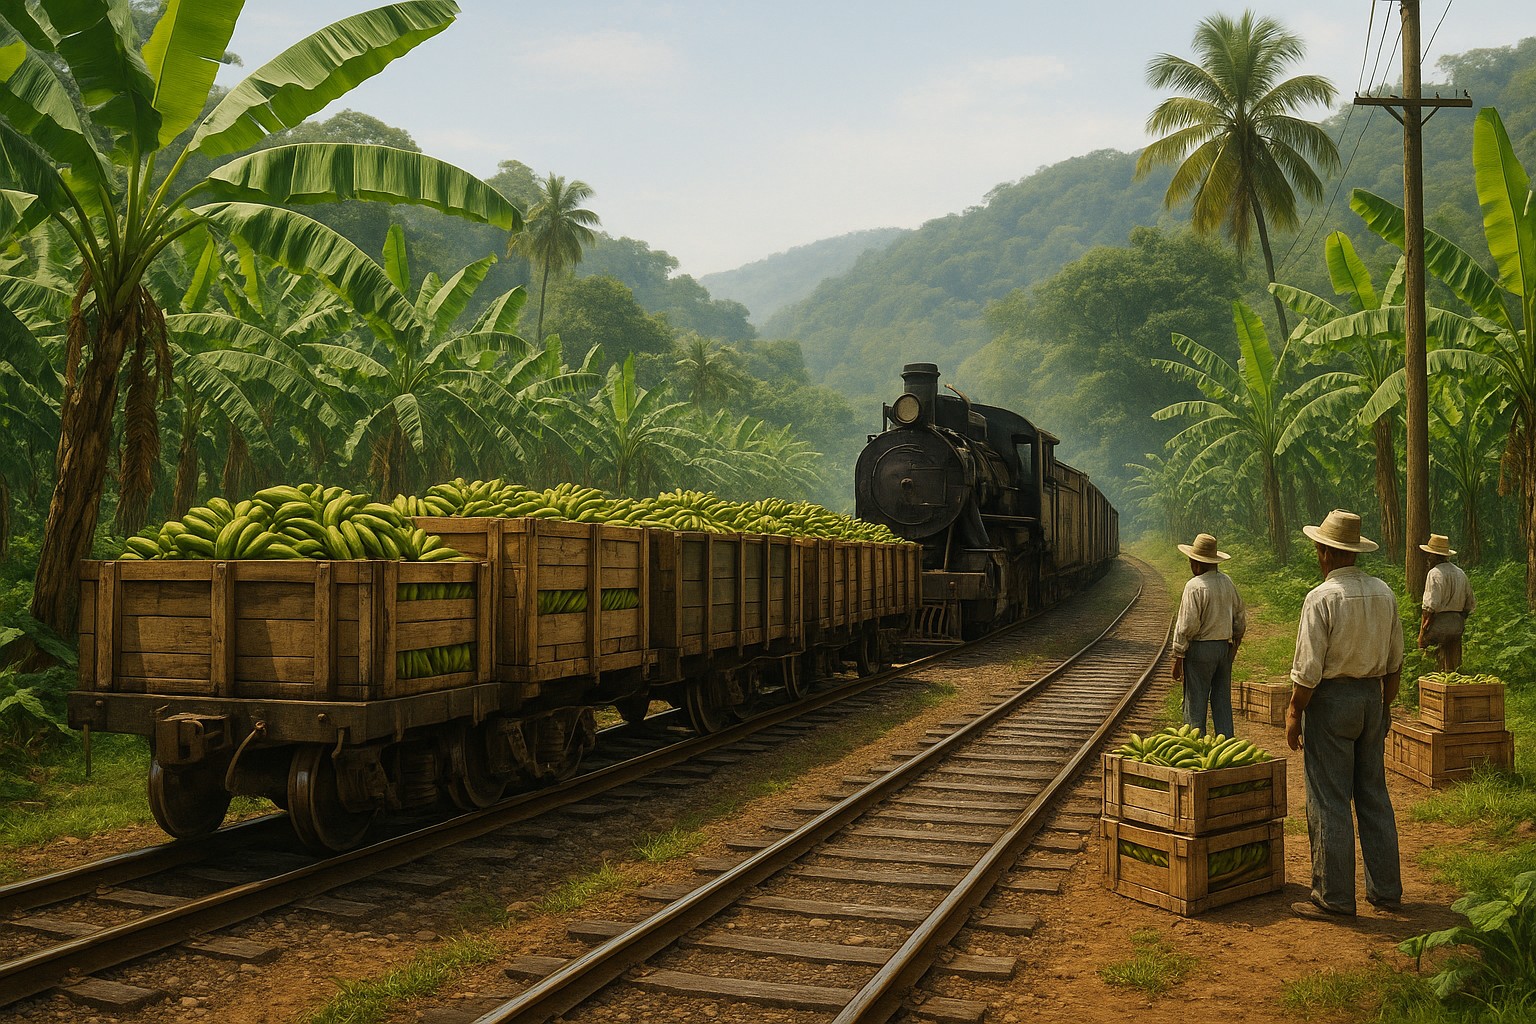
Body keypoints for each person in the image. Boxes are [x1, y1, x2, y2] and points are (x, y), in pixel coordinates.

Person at [1286, 509, 1404, 921]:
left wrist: (1293, 711)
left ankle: (1334, 897)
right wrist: (1384, 708)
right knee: (1373, 794)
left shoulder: (1321, 598)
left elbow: (1308, 670)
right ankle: (1386, 891)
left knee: (1329, 798)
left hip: (1332, 701)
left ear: (1324, 552)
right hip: (1372, 698)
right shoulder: (1383, 593)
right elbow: (1394, 664)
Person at [1170, 532, 1246, 737]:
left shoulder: (1194, 587)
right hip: (1223, 648)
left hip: (1201, 650)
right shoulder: (1227, 582)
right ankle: (1227, 742)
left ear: (1196, 563)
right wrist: (1234, 645)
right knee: (1222, 701)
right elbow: (1239, 616)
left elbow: (1187, 626)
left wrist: (1178, 658)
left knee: (1196, 701)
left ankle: (1196, 745)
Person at [1418, 533, 1475, 672]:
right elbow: (1470, 605)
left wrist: (1421, 635)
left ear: (1433, 556)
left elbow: (1429, 609)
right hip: (1457, 626)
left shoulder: (1434, 573)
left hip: (1439, 626)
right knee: (1454, 660)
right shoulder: (1461, 573)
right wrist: (1458, 619)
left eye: (1429, 555)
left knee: (1429, 654)